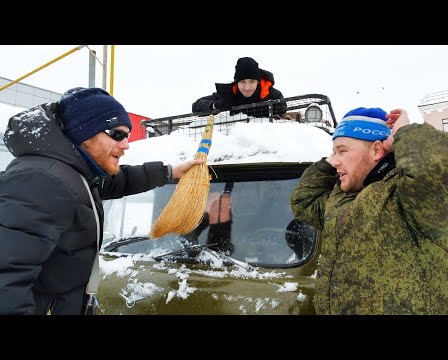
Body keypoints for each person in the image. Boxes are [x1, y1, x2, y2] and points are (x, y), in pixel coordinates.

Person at [0, 87, 203, 315]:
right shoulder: (44, 180)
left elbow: (117, 181)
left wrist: (168, 172)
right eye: (116, 134)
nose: (126, 144)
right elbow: (7, 278)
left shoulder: (74, 174)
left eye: (127, 136)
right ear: (84, 132)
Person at [290, 107, 448, 315]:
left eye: (343, 151)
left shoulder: (412, 197)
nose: (335, 161)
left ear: (377, 150)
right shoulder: (342, 198)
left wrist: (404, 134)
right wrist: (333, 157)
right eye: (334, 152)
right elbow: (304, 202)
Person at [192, 56, 287, 118]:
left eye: (252, 81)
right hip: (239, 144)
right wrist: (216, 105)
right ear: (236, 82)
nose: (247, 87)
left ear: (258, 82)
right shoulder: (229, 93)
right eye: (242, 82)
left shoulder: (273, 95)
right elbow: (196, 106)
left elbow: (282, 109)